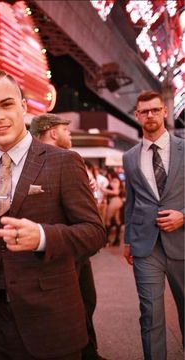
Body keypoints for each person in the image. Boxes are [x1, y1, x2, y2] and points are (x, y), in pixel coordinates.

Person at [0, 70, 106, 360]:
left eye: (6, 104)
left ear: (23, 107)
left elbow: (95, 232)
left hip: (49, 321)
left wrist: (42, 236)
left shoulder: (64, 162)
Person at [30, 113, 107, 360]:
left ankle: (89, 351)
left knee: (87, 301)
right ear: (53, 132)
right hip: (61, 249)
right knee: (74, 306)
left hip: (74, 246)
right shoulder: (45, 160)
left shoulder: (60, 160)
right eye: (66, 130)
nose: (69, 134)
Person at [123, 90, 184, 360]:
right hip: (145, 247)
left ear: (164, 111)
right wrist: (127, 240)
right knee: (150, 313)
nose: (150, 115)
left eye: (154, 110)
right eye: (144, 111)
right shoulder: (130, 157)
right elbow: (131, 200)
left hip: (182, 242)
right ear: (137, 116)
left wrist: (183, 215)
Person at [101, 170, 124, 246]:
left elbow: (116, 192)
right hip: (117, 200)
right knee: (117, 220)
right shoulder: (116, 180)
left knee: (107, 219)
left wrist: (105, 190)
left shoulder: (115, 180)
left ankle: (106, 240)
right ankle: (117, 240)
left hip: (115, 200)